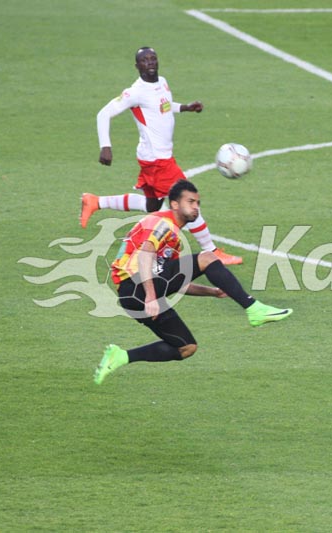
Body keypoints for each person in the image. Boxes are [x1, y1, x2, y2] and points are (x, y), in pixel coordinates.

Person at [93, 180, 292, 385]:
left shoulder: (174, 239)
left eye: (198, 203)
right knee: (207, 257)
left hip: (135, 296)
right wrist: (151, 297)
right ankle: (253, 308)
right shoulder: (162, 224)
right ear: (175, 204)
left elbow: (174, 281)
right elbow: (145, 256)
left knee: (186, 347)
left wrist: (212, 292)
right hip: (134, 287)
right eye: (190, 202)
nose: (196, 207)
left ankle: (120, 357)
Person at [80, 46, 242, 266]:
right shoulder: (135, 92)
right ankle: (212, 252)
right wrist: (105, 146)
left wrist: (185, 107)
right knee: (188, 199)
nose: (150, 63)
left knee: (152, 206)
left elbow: (162, 107)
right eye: (144, 60)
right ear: (137, 66)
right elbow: (103, 114)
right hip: (158, 161)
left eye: (153, 58)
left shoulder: (162, 81)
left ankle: (95, 201)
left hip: (158, 157)